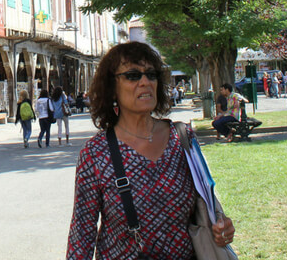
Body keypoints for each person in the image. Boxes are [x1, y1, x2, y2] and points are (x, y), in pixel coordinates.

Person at [67, 42, 235, 259]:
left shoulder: (182, 138)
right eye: (133, 75)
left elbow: (206, 205)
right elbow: (81, 236)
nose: (145, 82)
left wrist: (221, 225)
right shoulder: (96, 154)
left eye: (151, 74)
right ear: (112, 88)